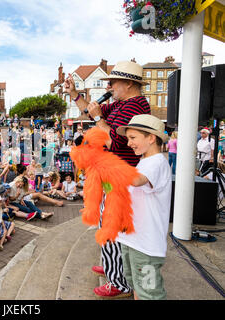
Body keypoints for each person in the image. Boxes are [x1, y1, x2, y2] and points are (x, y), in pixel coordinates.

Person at [65, 60, 151, 298]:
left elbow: (113, 140)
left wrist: (96, 119)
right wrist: (75, 94)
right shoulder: (122, 104)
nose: (110, 86)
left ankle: (119, 282)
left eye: (113, 82)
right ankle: (112, 265)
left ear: (130, 83)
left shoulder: (135, 107)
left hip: (119, 175)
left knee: (111, 226)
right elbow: (89, 111)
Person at [115, 114, 171, 300]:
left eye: (133, 138)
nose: (129, 143)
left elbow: (137, 180)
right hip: (133, 239)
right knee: (137, 286)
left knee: (149, 293)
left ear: (151, 137)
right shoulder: (144, 161)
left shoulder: (157, 162)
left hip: (146, 245)